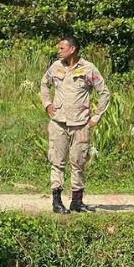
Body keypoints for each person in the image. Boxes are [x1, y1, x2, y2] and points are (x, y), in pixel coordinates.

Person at [39, 36, 111, 214]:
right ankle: (57, 202)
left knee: (78, 162)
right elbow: (44, 84)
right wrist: (47, 104)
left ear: (72, 49)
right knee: (57, 162)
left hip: (80, 124)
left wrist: (96, 117)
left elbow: (104, 93)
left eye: (62, 48)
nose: (59, 50)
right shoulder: (55, 66)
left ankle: (77, 202)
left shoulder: (88, 68)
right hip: (58, 123)